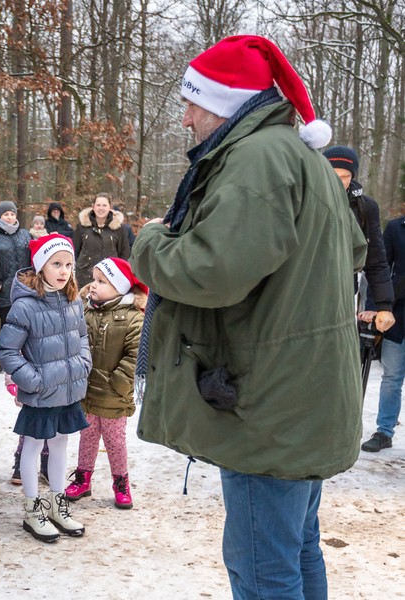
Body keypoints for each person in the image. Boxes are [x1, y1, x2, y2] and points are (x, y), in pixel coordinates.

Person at [131, 35, 365, 598]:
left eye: (191, 104)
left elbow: (212, 271)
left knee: (262, 568)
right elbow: (353, 249)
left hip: (268, 405)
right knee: (296, 550)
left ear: (222, 104)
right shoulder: (302, 157)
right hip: (303, 394)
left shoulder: (256, 158)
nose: (185, 119)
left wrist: (150, 241)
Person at [0, 233, 92, 543]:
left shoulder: (73, 300)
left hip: (68, 388)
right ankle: (32, 508)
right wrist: (32, 380)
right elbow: (7, 350)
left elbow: (82, 338)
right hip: (40, 392)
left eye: (68, 265)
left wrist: (83, 363)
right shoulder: (25, 306)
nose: (64, 271)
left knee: (61, 443)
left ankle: (56, 503)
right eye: (56, 264)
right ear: (41, 267)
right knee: (34, 445)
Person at [65, 258, 146, 509]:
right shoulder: (85, 311)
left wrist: (117, 383)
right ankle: (83, 478)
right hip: (87, 391)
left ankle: (121, 483)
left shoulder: (133, 318)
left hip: (114, 394)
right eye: (94, 279)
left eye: (102, 281)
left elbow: (135, 355)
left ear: (119, 287)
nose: (93, 285)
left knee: (115, 442)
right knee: (87, 436)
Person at [322, 146, 395, 333]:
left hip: (343, 296)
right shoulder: (304, 200)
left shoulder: (364, 207)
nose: (338, 182)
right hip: (303, 293)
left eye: (345, 176)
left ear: (352, 176)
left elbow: (376, 260)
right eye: (333, 175)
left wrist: (384, 305)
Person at [361, 214, 405, 452]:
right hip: (397, 318)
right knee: (392, 377)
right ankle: (384, 432)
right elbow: (379, 268)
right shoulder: (396, 228)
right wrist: (372, 308)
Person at [0, 201, 31, 326]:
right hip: (5, 293)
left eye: (12, 214)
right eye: (6, 214)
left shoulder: (26, 235)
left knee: (28, 326)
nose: (9, 217)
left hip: (27, 288)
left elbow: (35, 255)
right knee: (8, 327)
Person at [73, 194, 130, 288]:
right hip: (84, 278)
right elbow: (75, 251)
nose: (101, 208)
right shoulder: (82, 227)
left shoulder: (119, 229)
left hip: (109, 278)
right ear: (93, 206)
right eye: (98, 205)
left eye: (104, 205)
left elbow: (124, 254)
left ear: (110, 207)